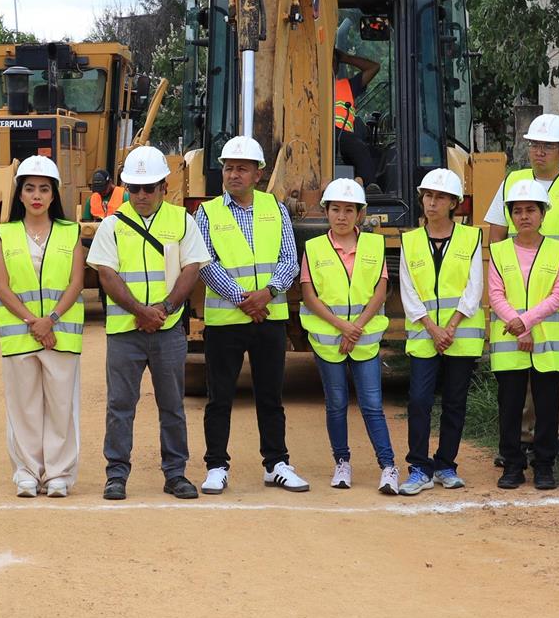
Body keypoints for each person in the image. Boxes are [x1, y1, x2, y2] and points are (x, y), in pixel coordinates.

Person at [91, 145, 207, 500]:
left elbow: (193, 268)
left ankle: (175, 474)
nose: (141, 195)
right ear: (126, 188)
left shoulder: (182, 220)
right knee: (120, 406)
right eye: (134, 188)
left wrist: (166, 308)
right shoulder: (111, 225)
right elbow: (106, 275)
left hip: (168, 329)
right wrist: (141, 312)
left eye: (149, 187)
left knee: (172, 405)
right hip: (126, 332)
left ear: (163, 186)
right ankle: (117, 475)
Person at [194, 135, 306, 494]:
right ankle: (216, 466)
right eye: (228, 168)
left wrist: (267, 294)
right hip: (227, 320)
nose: (233, 174)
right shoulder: (207, 212)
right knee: (219, 398)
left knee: (270, 397)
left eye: (242, 168)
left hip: (268, 318)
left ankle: (276, 464)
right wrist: (243, 298)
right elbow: (204, 262)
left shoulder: (275, 209)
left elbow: (290, 260)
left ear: (258, 174)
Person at [484, 112, 559, 459]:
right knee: (520, 368)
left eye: (548, 146)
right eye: (534, 145)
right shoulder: (513, 181)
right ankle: (522, 437)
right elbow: (496, 235)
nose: (540, 152)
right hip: (515, 296)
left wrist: (554, 280)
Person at [0, 157, 88, 497]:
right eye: (30, 188)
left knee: (62, 405)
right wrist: (34, 322)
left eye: (43, 189)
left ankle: (59, 474)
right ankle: (27, 472)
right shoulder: (5, 233)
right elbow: (2, 287)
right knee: (24, 406)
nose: (36, 195)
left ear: (54, 194)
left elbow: (77, 283)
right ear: (19, 194)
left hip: (61, 333)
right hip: (21, 335)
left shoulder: (70, 231)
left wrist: (52, 321)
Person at [299, 178, 396, 491]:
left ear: (360, 213)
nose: (341, 216)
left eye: (348, 210)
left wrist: (356, 328)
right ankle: (342, 463)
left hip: (364, 339)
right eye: (335, 209)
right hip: (329, 342)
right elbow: (309, 296)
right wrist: (343, 327)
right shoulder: (313, 249)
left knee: (371, 404)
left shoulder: (373, 244)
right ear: (326, 212)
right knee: (336, 403)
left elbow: (380, 290)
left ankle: (389, 466)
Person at [398, 167, 486, 496]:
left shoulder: (471, 237)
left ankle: (446, 464)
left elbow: (473, 287)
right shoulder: (410, 241)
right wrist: (433, 329)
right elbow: (408, 291)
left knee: (454, 402)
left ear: (453, 203)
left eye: (440, 197)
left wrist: (449, 327)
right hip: (425, 335)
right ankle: (419, 467)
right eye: (428, 196)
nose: (432, 203)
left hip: (460, 334)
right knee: (419, 400)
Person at [487, 179, 559, 491]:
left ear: (542, 214)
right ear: (510, 215)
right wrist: (518, 324)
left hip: (547, 341)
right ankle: (512, 465)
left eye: (530, 210)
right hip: (510, 341)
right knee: (510, 406)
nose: (524, 216)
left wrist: (525, 323)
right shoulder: (498, 251)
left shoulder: (558, 249)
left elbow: (558, 295)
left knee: (548, 406)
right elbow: (495, 295)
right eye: (517, 211)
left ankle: (544, 466)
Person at [333, 52, 381, 188]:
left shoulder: (348, 85)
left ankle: (369, 188)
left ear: (337, 66)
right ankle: (370, 184)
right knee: (358, 147)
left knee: (359, 147)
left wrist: (345, 58)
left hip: (342, 135)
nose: (330, 64)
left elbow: (374, 67)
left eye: (334, 61)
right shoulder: (310, 84)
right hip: (321, 134)